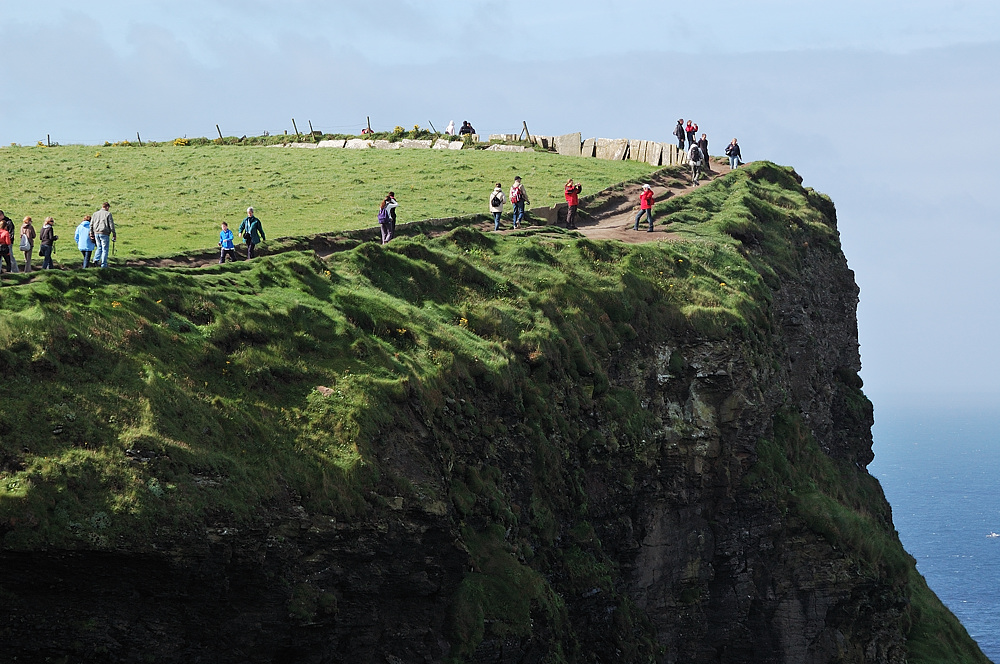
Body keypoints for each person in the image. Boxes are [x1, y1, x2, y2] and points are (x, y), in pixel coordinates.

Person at [91, 201, 116, 268]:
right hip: (104, 233)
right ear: (107, 207)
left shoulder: (95, 214)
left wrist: (91, 233)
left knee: (99, 247)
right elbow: (111, 225)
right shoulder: (108, 214)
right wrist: (114, 234)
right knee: (105, 249)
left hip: (96, 232)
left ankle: (95, 259)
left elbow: (91, 224)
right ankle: (104, 264)